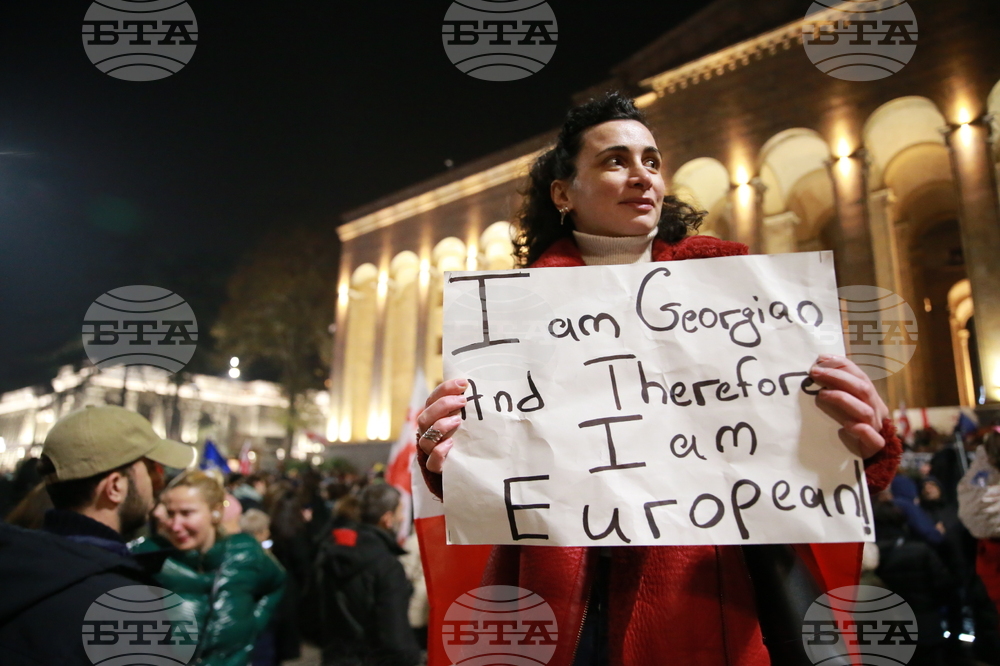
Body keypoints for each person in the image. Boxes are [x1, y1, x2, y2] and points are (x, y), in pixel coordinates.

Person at [415, 92, 903, 666]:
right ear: (563, 192)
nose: (642, 175)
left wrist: (863, 439)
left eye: (652, 160)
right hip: (570, 610)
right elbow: (500, 477)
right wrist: (450, 450)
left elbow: (800, 461)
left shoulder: (738, 289)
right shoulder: (513, 314)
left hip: (716, 599)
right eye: (615, 160)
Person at [0, 405, 196, 666]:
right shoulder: (127, 611)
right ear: (116, 487)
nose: (157, 483)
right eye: (150, 469)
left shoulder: (16, 564)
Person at [132, 469, 286, 666]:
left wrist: (253, 623)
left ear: (215, 511)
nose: (176, 525)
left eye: (187, 513)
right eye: (170, 513)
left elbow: (276, 582)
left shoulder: (244, 551)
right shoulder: (147, 555)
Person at [316, 483, 421, 666]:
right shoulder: (386, 565)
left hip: (335, 656)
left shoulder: (332, 550)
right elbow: (395, 634)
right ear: (387, 518)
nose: (403, 517)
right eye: (400, 511)